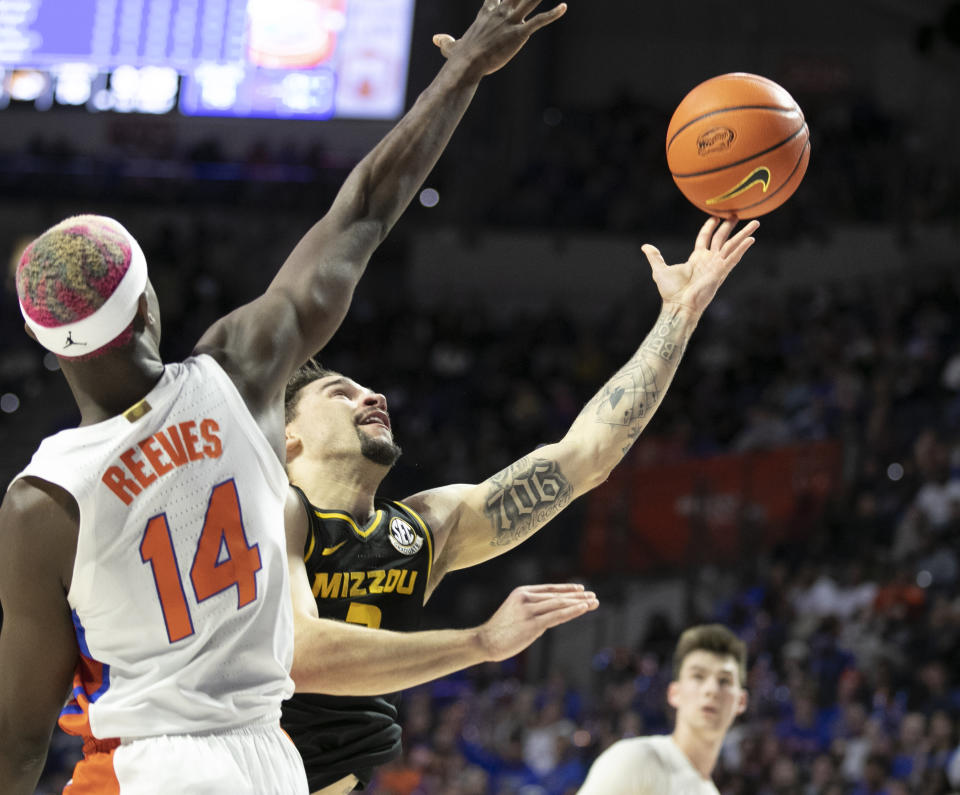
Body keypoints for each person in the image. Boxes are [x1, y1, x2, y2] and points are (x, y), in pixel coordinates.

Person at [0, 1, 576, 792]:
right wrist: (463, 69)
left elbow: (20, 736)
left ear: (44, 341)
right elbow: (365, 210)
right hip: (270, 760)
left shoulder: (42, 500)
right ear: (146, 305)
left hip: (148, 765)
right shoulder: (241, 371)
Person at [281, 215, 760, 793]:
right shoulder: (270, 508)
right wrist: (481, 641)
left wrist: (679, 315)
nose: (372, 394)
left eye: (367, 388)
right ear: (288, 437)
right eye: (341, 392)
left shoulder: (425, 528)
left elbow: (586, 456)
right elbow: (300, 652)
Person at [576, 624, 748, 794]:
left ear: (741, 701)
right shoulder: (636, 759)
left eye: (724, 680)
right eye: (698, 676)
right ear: (674, 693)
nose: (711, 690)